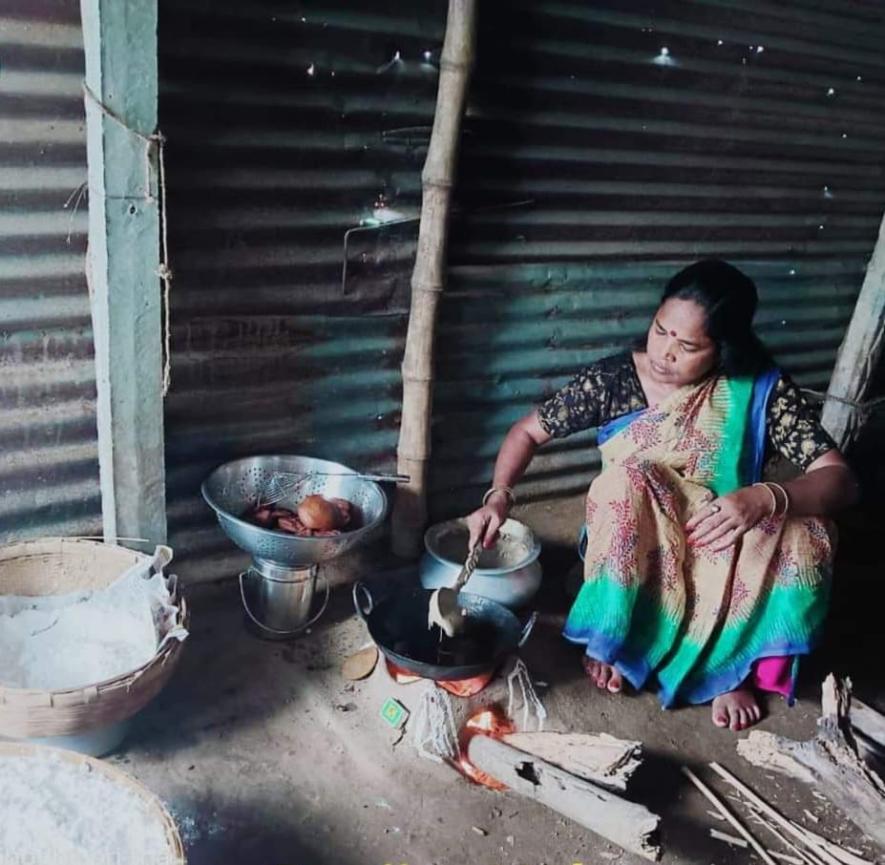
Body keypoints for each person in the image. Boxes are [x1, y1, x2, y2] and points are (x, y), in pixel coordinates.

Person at [466, 259, 859, 731]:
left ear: (723, 350)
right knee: (626, 478)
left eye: (688, 345)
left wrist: (764, 497)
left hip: (723, 532)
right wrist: (498, 496)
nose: (664, 353)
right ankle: (620, 638)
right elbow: (526, 433)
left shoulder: (759, 389)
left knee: (810, 530)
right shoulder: (615, 380)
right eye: (660, 330)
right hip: (639, 531)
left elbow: (841, 480)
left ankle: (733, 665)